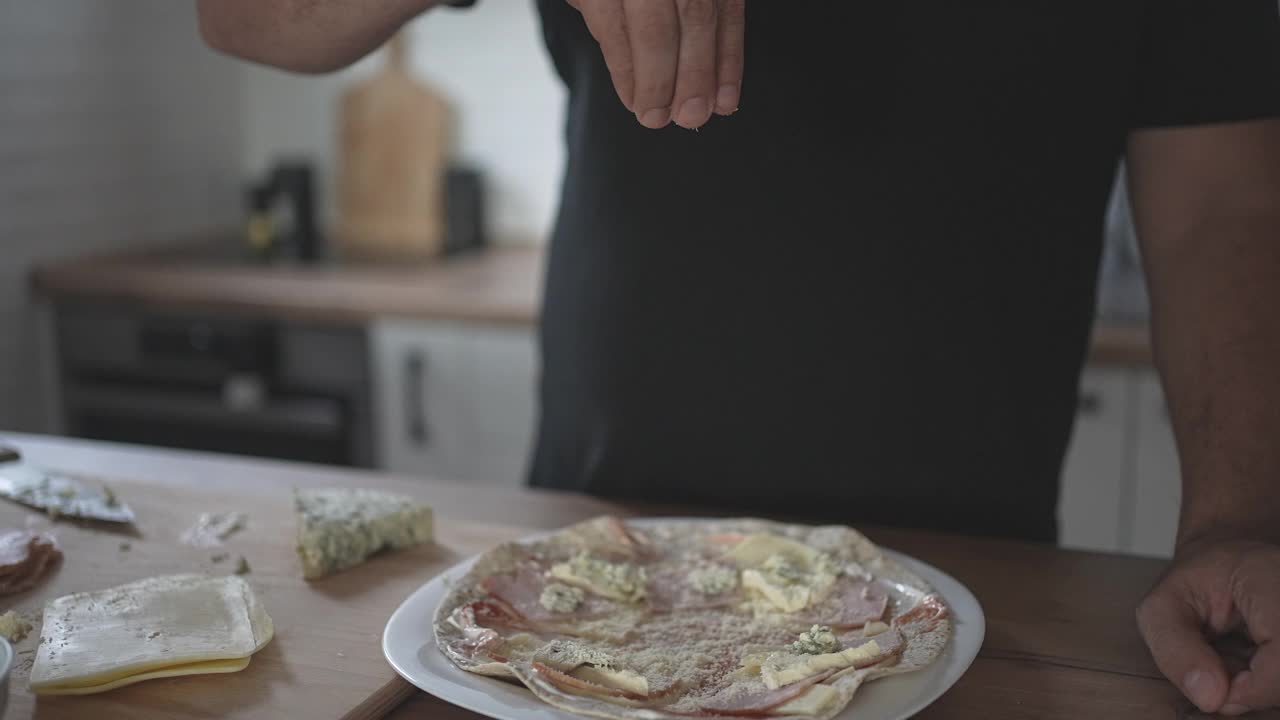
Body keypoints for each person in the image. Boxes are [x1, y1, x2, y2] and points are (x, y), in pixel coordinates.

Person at [196, 1, 1280, 713]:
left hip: (972, 595)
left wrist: (1233, 523)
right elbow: (245, 17)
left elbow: (1223, 202)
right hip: (581, 570)